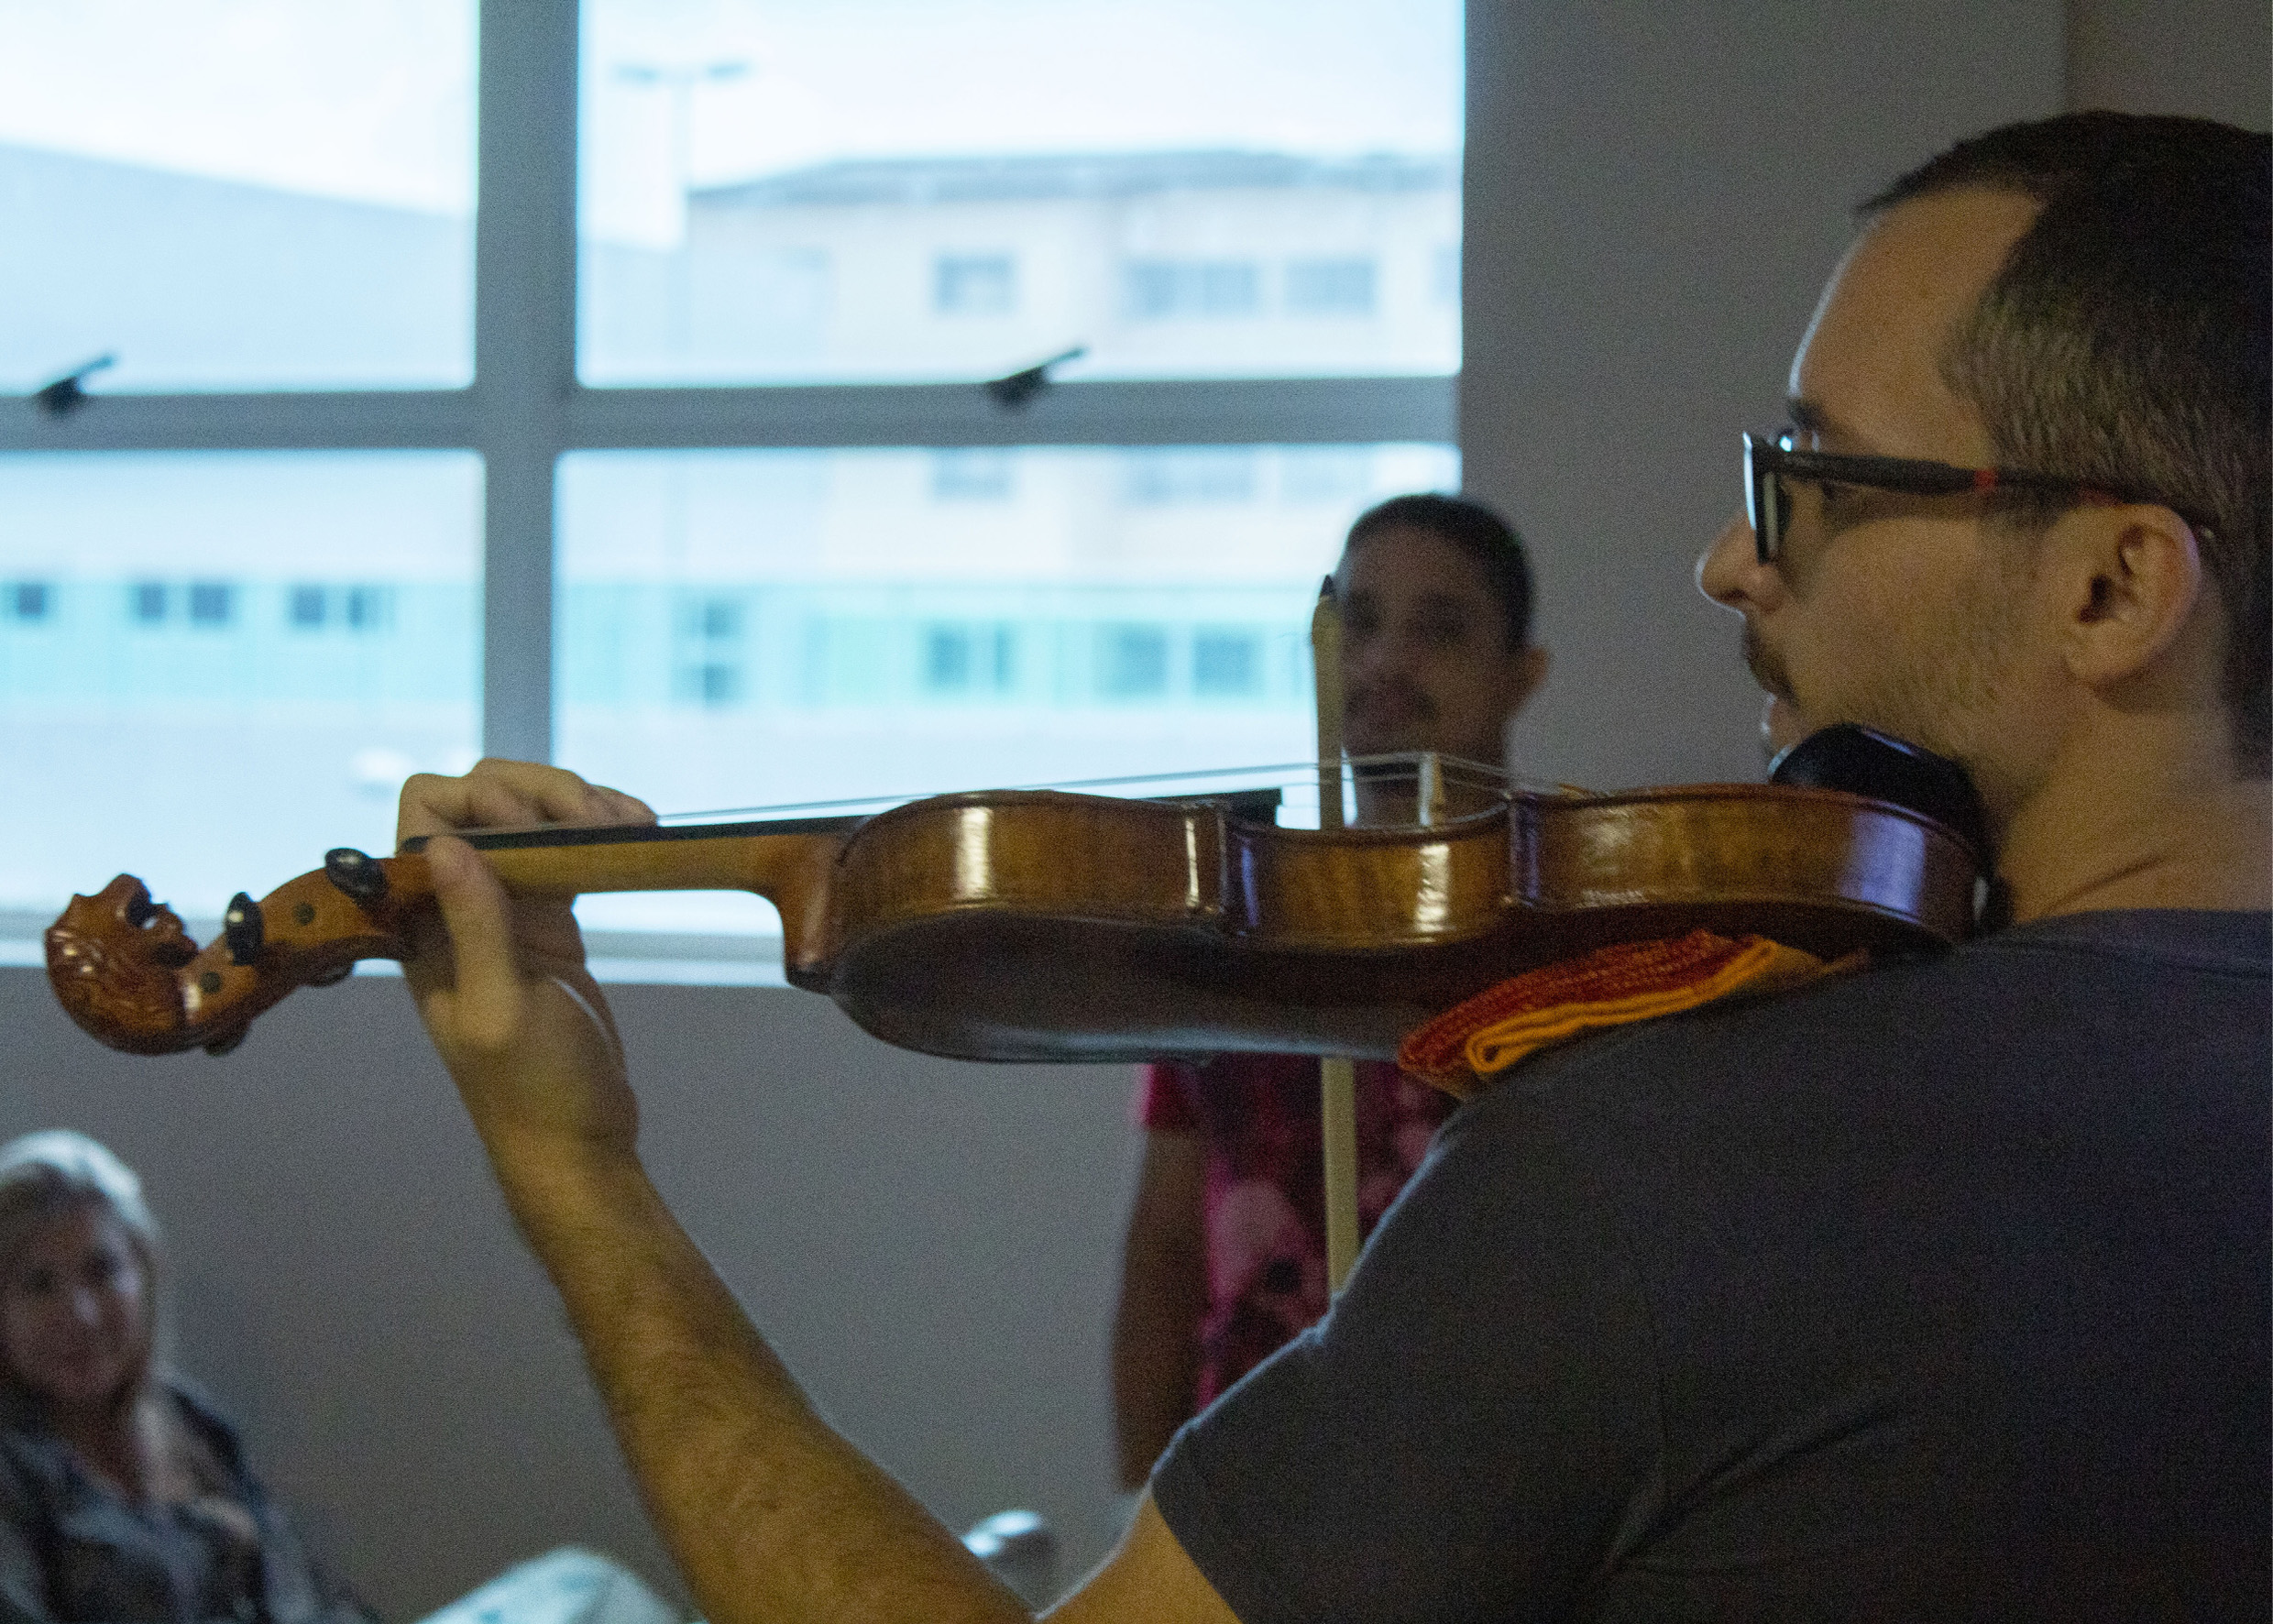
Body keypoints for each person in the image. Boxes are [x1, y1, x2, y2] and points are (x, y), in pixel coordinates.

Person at [390, 110, 2268, 1619]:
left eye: (1810, 477)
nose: (1729, 558)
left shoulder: (1682, 1154)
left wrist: (578, 1175)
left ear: (2111, 587)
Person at [1111, 493, 1546, 1489]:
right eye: (1358, 621)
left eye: (1439, 628)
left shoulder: (1573, 938)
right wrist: (1135, 1501)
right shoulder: (1237, 930)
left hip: (1493, 1504)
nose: (1385, 661)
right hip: (1242, 1503)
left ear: (1521, 674)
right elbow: (1164, 1251)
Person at [0, 1132, 369, 1624]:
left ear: (143, 1275)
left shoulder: (189, 1421)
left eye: (101, 1270)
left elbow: (309, 1597)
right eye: (39, 1285)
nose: (81, 1316)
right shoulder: (14, 1475)